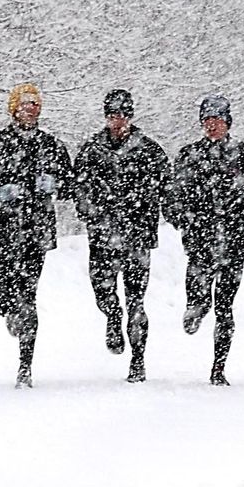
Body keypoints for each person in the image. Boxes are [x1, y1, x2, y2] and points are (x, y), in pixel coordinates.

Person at [0, 82, 73, 389]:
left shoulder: (52, 146)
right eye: (25, 104)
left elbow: (69, 186)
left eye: (35, 104)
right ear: (13, 108)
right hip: (0, 231)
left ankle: (26, 365)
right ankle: (10, 312)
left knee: (28, 296)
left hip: (35, 232)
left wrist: (53, 185)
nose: (31, 109)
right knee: (4, 299)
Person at [169, 93, 244, 386]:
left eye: (218, 120)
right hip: (200, 241)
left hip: (234, 242)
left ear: (228, 122)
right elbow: (172, 197)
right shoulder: (189, 156)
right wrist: (184, 218)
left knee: (225, 307)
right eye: (207, 120)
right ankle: (196, 307)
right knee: (198, 294)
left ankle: (218, 368)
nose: (212, 126)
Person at [73, 88, 171, 383]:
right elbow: (78, 188)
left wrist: (148, 205)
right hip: (102, 235)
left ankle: (138, 360)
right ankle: (113, 318)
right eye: (113, 115)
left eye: (123, 115)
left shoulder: (150, 150)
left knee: (137, 300)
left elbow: (167, 187)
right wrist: (92, 210)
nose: (118, 121)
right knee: (102, 292)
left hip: (137, 236)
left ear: (131, 116)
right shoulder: (92, 150)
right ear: (106, 117)